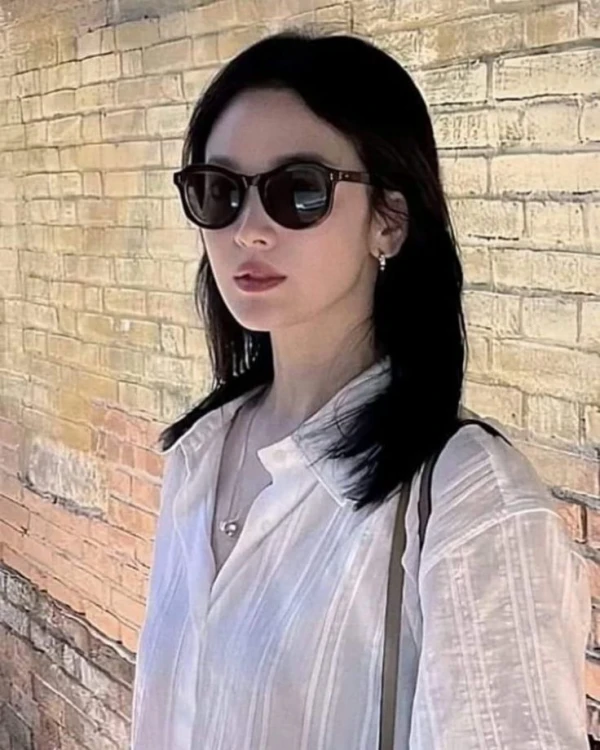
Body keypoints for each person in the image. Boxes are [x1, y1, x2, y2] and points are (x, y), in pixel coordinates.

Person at [130, 27, 591, 750]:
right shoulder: (198, 455)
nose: (248, 230)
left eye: (298, 191)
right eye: (219, 192)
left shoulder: (473, 503)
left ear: (389, 221)